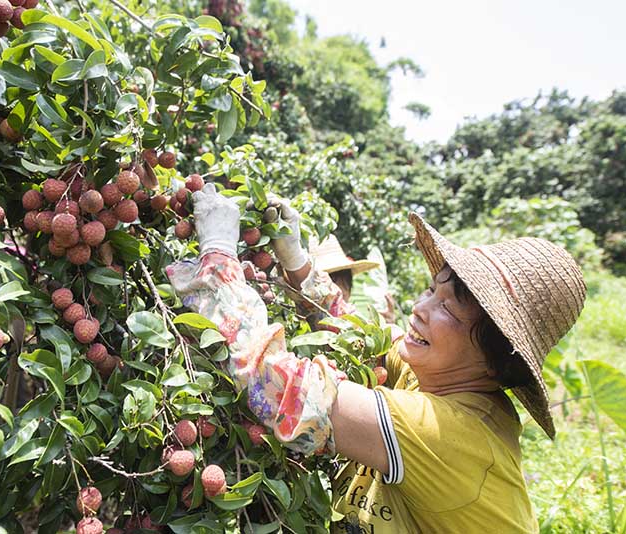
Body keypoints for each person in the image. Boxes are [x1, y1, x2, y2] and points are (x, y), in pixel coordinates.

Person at [166, 185, 586, 533]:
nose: (421, 309)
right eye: (432, 291)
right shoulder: (437, 377)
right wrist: (295, 261)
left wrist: (218, 255)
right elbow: (355, 332)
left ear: (497, 361)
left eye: (450, 308)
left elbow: (285, 394)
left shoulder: (452, 433)